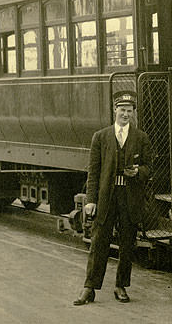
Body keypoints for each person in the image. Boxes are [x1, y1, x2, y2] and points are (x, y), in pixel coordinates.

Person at [73, 90, 154, 306]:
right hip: (106, 197)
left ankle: (121, 286)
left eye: (129, 111)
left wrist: (138, 172)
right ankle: (89, 288)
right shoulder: (100, 137)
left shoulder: (141, 137)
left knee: (127, 244)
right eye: (122, 110)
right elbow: (94, 171)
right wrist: (91, 200)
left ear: (133, 113)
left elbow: (149, 167)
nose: (126, 114)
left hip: (130, 197)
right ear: (115, 111)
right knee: (99, 242)